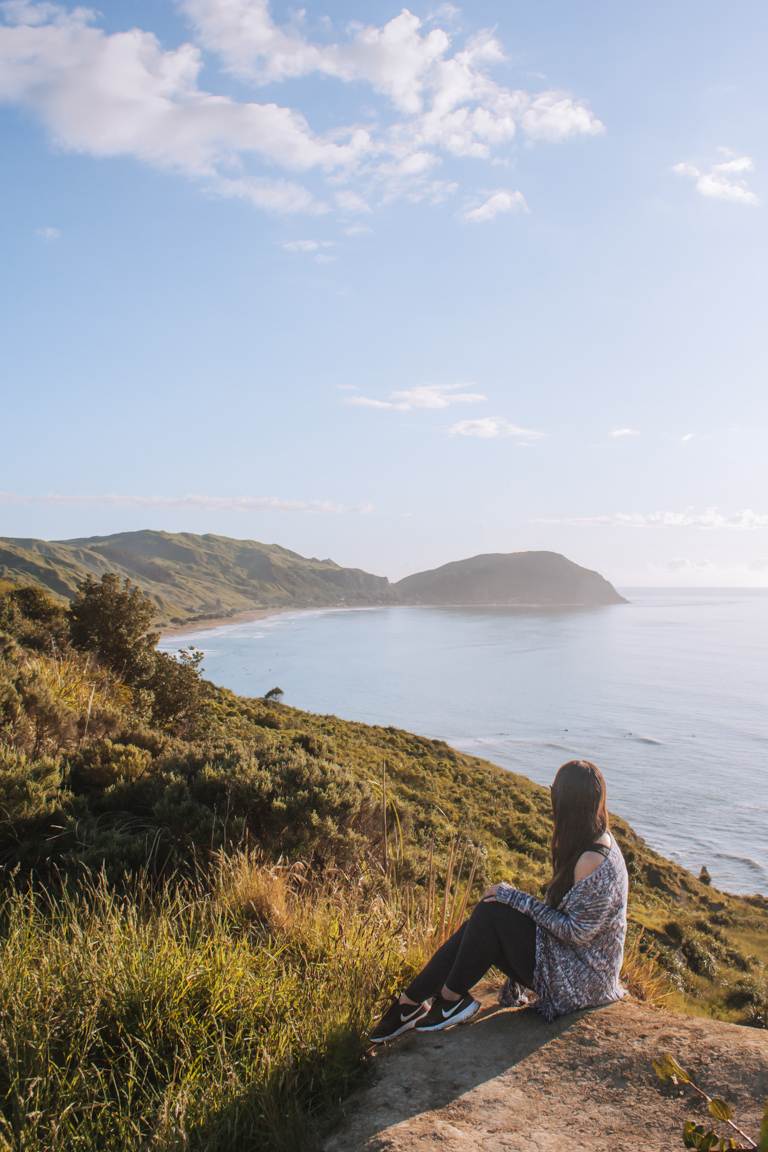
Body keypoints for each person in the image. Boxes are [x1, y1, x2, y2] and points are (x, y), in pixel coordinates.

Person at [370, 759, 629, 1042]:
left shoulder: (592, 859)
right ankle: (410, 1003)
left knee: (494, 912)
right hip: (570, 964)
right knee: (488, 913)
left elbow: (576, 933)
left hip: (583, 982)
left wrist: (515, 897)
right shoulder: (587, 840)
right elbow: (554, 918)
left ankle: (447, 999)